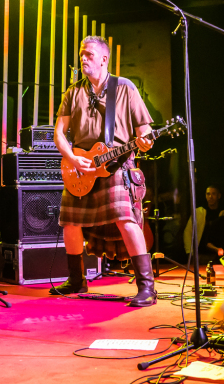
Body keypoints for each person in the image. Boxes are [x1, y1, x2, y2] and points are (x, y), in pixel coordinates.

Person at [52, 36, 155, 306]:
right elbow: (59, 133)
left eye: (88, 54)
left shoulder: (125, 87)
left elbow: (144, 132)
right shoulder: (73, 92)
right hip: (81, 167)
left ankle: (147, 288)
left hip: (116, 164)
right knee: (70, 222)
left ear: (104, 59)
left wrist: (146, 141)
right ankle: (76, 279)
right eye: (81, 54)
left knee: (125, 218)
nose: (83, 58)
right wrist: (73, 158)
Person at [183, 184, 224, 261]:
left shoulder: (223, 213)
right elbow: (188, 232)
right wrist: (190, 252)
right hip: (200, 255)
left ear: (219, 196)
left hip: (219, 255)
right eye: (208, 194)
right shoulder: (199, 212)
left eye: (213, 194)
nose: (210, 197)